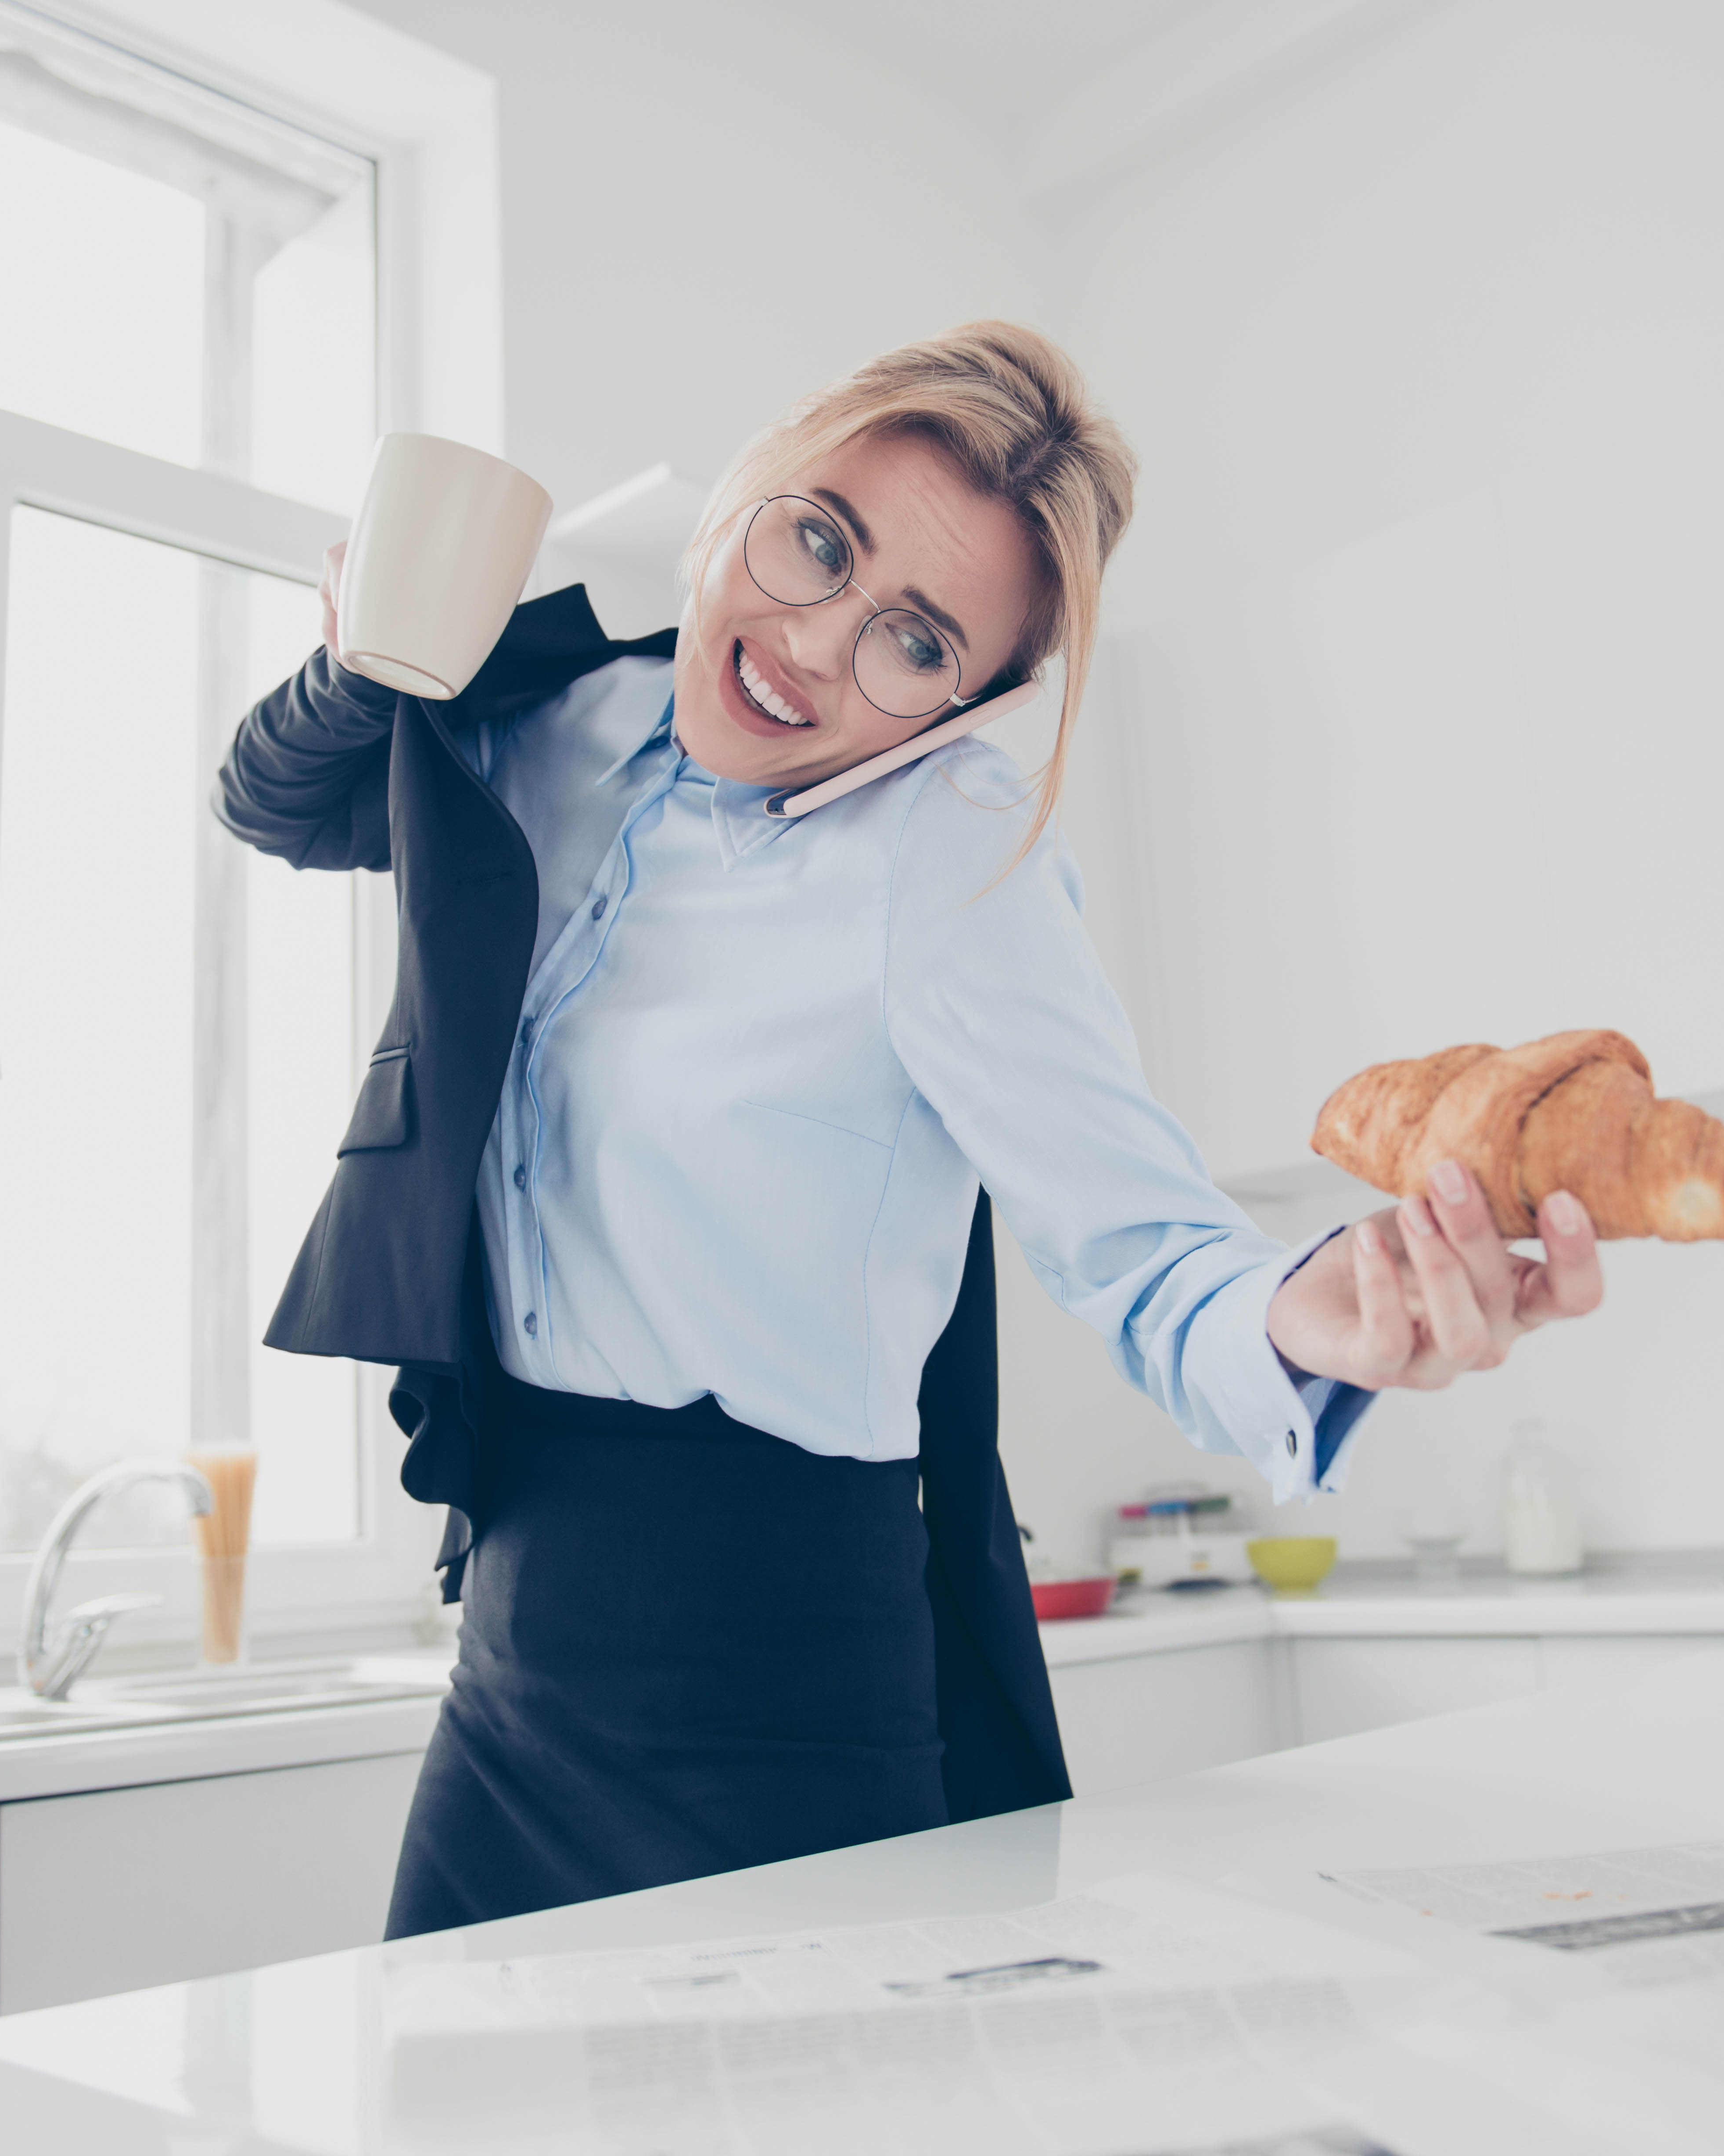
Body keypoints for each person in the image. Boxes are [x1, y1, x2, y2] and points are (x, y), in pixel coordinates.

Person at [214, 323, 1606, 1939]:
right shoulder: (559, 709)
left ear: (972, 703)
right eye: (817, 540)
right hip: (517, 1666)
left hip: (779, 1702)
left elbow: (1151, 1258)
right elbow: (279, 803)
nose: (810, 644)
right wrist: (370, 650)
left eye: (915, 642)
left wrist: (1322, 1317)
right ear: (753, 484)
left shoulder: (942, 856)